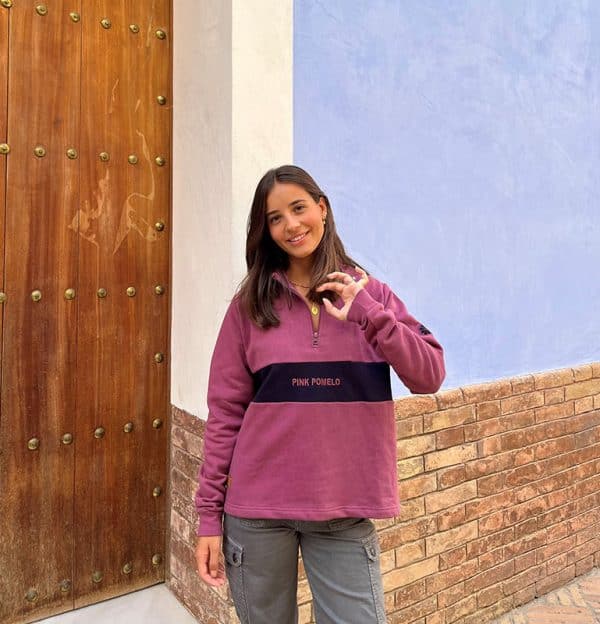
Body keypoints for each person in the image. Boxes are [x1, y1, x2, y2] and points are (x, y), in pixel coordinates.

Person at [194, 164, 445, 623]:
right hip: (257, 513)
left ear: (322, 209)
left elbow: (429, 375)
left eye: (298, 208)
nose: (290, 225)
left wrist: (367, 312)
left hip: (342, 511)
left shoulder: (374, 296)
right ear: (265, 231)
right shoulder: (249, 307)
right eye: (274, 218)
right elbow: (225, 414)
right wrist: (208, 516)